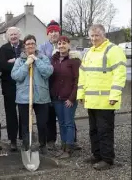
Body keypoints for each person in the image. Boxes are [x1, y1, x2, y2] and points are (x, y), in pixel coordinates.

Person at [77, 24, 127, 170]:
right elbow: (83, 75)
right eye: (91, 36)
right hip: (92, 100)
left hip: (106, 100)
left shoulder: (113, 50)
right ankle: (97, 155)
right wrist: (81, 94)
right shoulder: (88, 52)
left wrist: (115, 95)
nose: (94, 38)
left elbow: (119, 74)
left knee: (105, 130)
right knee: (93, 130)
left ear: (104, 35)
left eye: (97, 35)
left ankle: (107, 159)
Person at [39, 20, 81, 151]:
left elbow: (77, 79)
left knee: (68, 119)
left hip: (67, 93)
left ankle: (71, 142)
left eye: (55, 31)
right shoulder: (43, 49)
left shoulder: (72, 57)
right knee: (54, 118)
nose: (53, 34)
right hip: (52, 89)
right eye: (51, 32)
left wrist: (73, 97)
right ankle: (53, 140)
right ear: (47, 34)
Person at [11, 34, 53, 154]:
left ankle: (43, 144)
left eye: (32, 43)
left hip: (41, 97)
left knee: (42, 123)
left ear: (36, 45)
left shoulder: (43, 58)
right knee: (25, 123)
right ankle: (26, 144)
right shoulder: (19, 60)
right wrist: (26, 64)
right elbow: (16, 76)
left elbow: (48, 72)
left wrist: (36, 60)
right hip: (24, 98)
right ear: (24, 46)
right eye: (28, 44)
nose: (30, 45)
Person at [50, 36, 81, 159]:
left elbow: (77, 80)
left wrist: (72, 98)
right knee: (61, 123)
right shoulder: (54, 60)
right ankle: (63, 146)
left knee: (69, 123)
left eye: (64, 43)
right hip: (57, 98)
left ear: (69, 45)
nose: (61, 45)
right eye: (59, 43)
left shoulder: (74, 61)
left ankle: (69, 147)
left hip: (69, 98)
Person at [0, 27, 24, 151]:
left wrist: (14, 61)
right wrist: (19, 63)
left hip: (23, 84)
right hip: (9, 85)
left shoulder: (25, 45)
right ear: (8, 37)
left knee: (23, 111)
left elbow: (28, 63)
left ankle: (24, 137)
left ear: (19, 35)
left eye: (15, 34)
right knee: (11, 113)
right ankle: (12, 139)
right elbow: (3, 66)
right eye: (11, 35)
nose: (13, 36)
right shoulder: (4, 49)